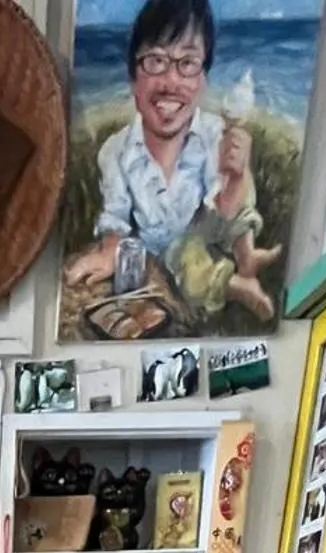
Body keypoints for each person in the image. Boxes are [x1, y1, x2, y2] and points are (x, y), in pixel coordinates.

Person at [62, 0, 279, 322]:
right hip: (166, 262)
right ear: (133, 78)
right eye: (155, 61)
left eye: (187, 63)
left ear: (203, 78)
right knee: (182, 254)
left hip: (207, 238)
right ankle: (236, 284)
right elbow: (115, 217)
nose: (170, 82)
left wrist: (236, 178)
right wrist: (110, 250)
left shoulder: (213, 135)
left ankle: (247, 258)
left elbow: (222, 216)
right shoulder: (115, 151)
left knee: (231, 195)